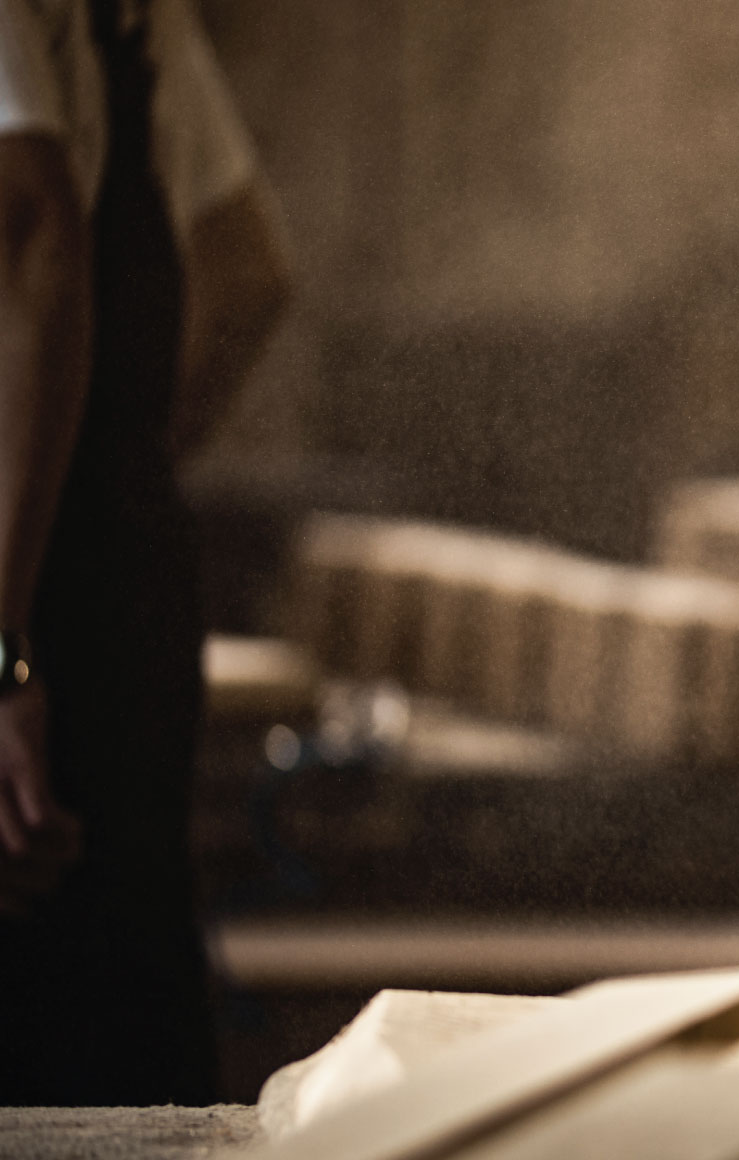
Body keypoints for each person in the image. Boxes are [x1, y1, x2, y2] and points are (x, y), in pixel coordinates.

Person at [0, 0, 288, 1105]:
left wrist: (8, 648)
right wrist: (116, 472)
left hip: (35, 602)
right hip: (118, 579)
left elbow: (32, 226)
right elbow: (251, 274)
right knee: (124, 1029)